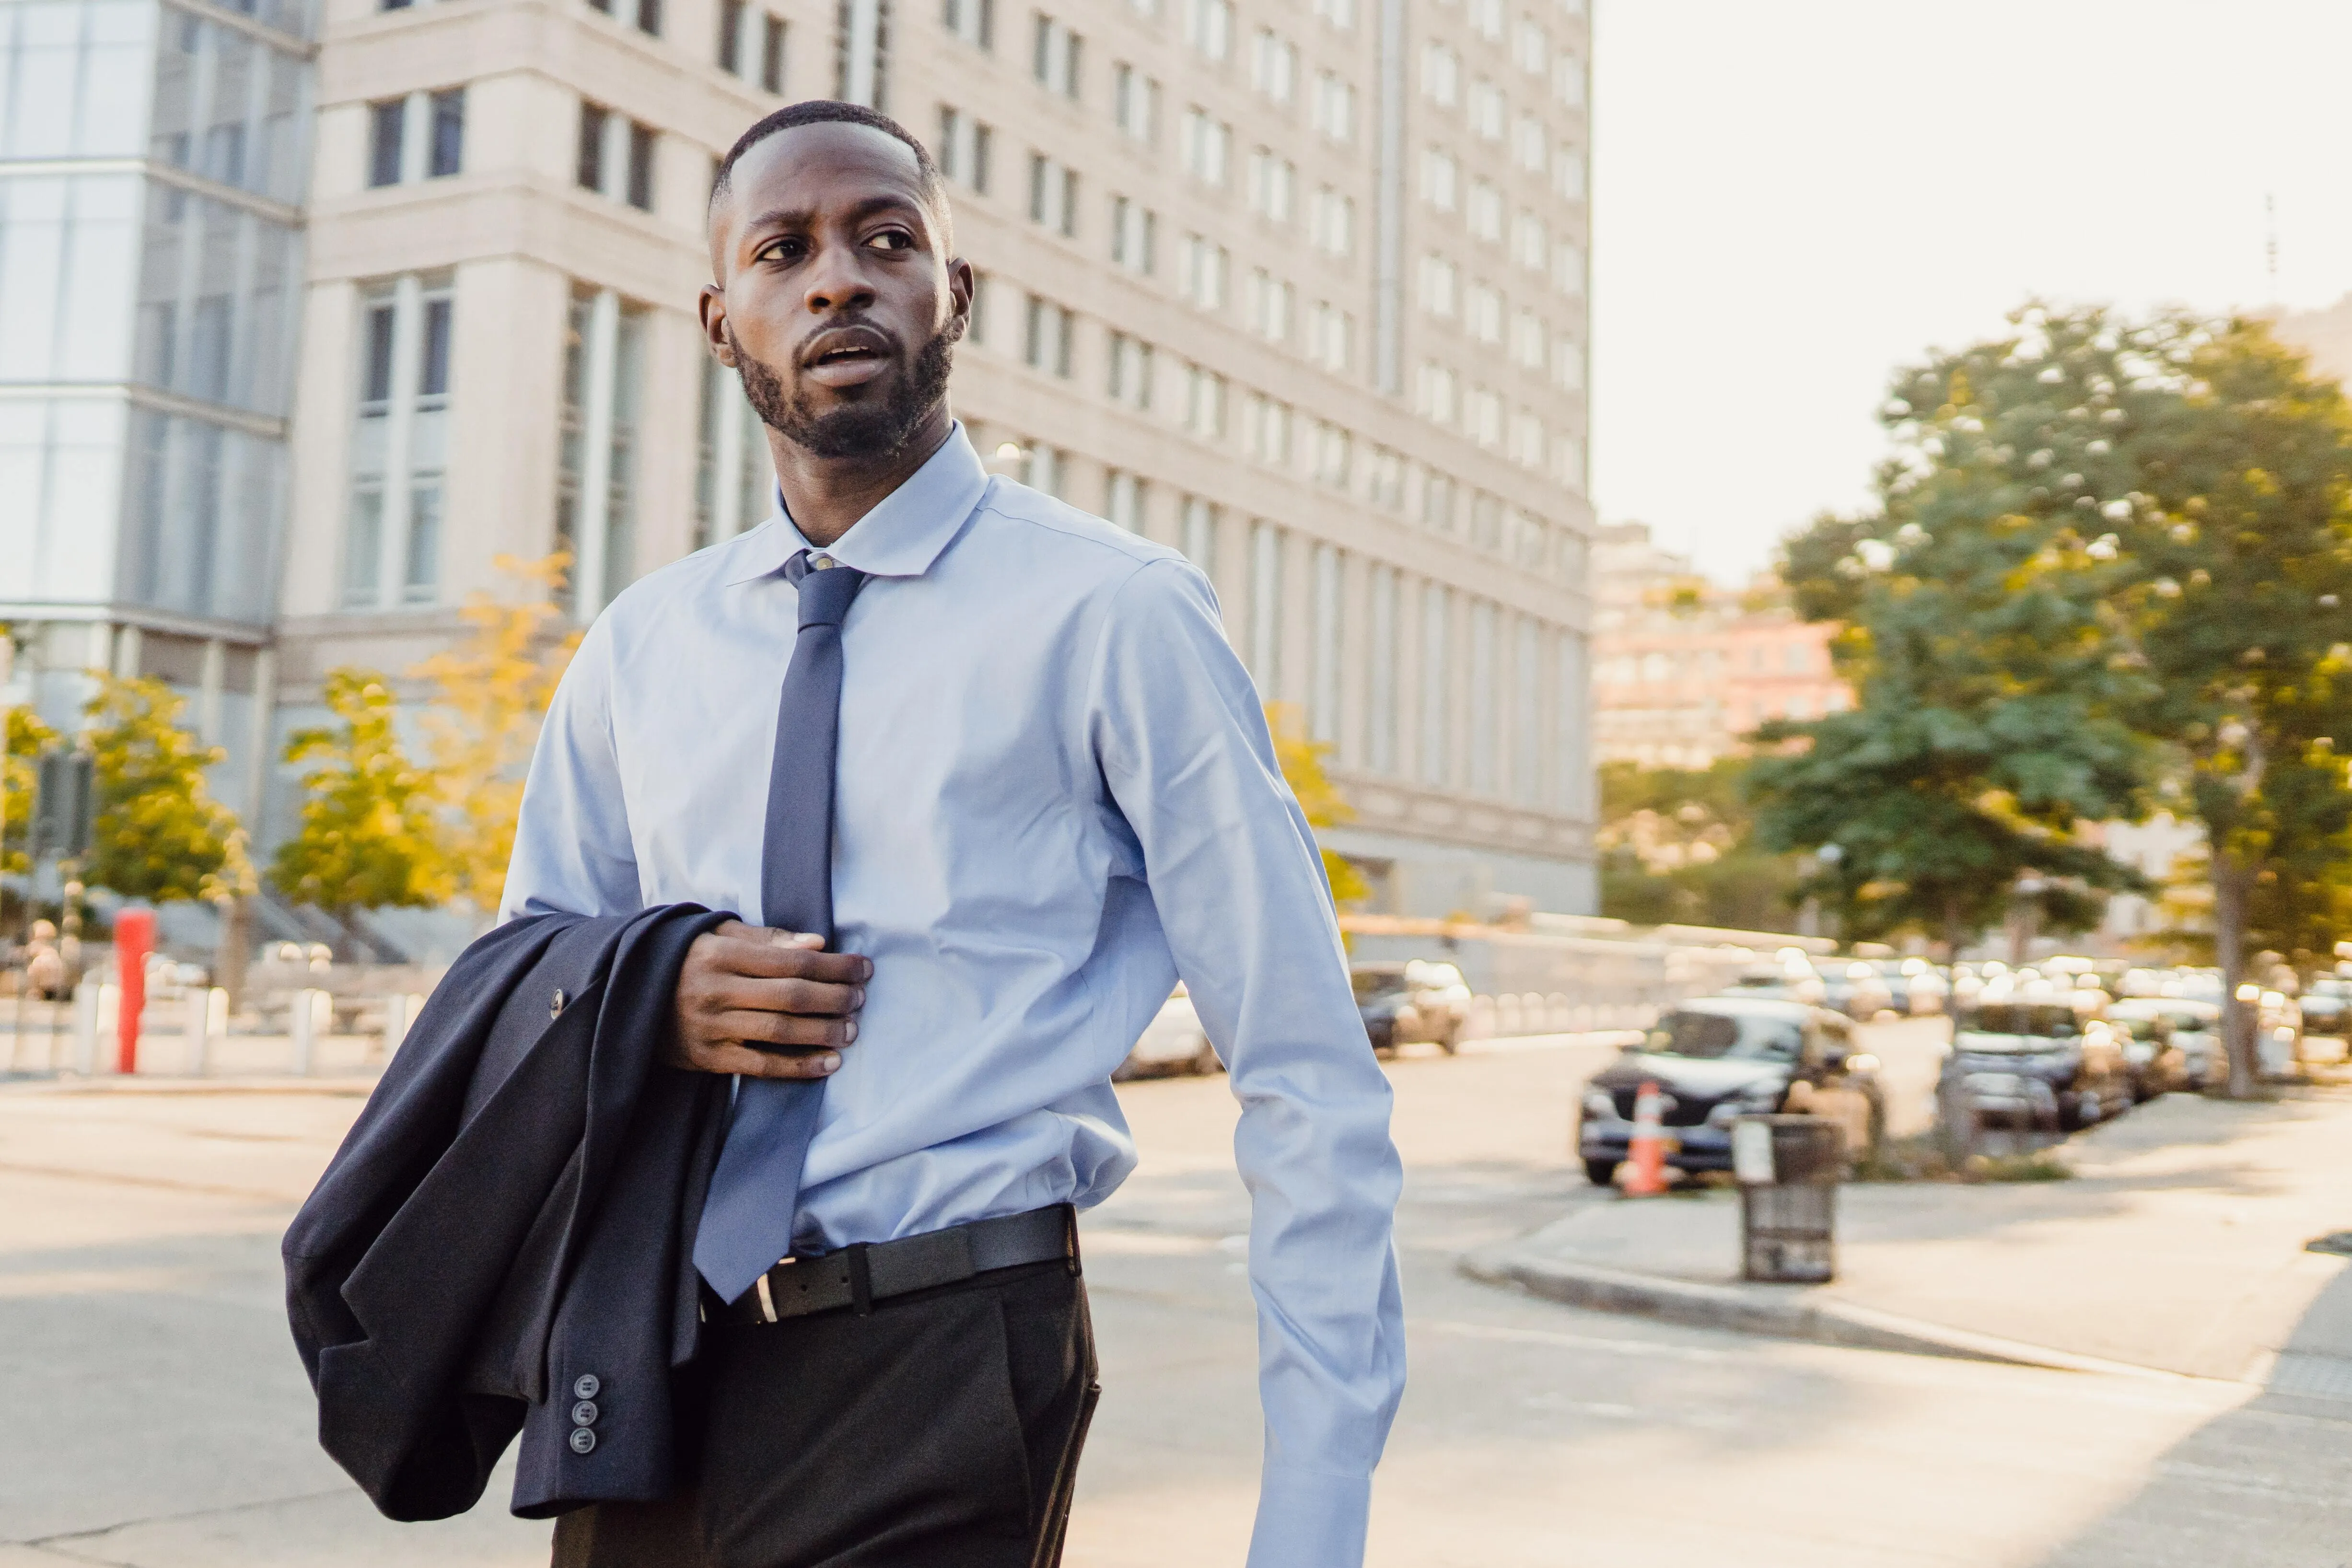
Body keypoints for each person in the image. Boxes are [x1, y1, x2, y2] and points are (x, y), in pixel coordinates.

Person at [505, 99, 1404, 1568]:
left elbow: (1306, 1069)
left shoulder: (1116, 612)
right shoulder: (639, 646)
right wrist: (651, 993)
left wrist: (1314, 1515)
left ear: (955, 293)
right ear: (723, 317)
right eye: (785, 249)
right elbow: (521, 989)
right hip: (654, 1339)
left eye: (885, 238)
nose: (838, 279)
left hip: (949, 1345)